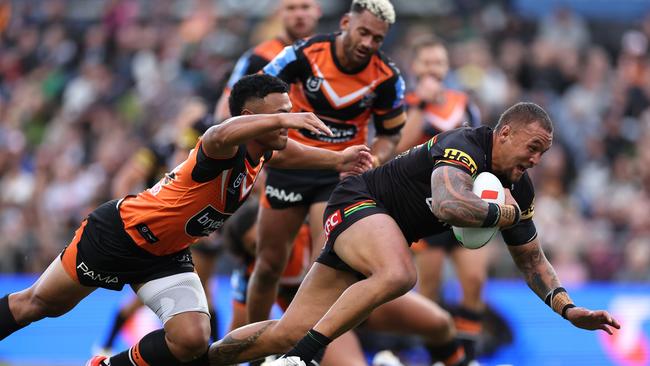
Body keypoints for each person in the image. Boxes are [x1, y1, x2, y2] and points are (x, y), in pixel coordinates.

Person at [206, 102, 620, 366]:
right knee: (401, 274)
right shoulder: (466, 146)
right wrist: (502, 214)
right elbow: (447, 203)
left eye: (543, 153)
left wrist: (568, 309)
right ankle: (301, 359)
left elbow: (532, 259)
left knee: (287, 328)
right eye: (532, 147)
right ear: (505, 132)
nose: (536, 159)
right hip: (358, 202)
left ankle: (202, 359)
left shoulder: (517, 189)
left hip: (377, 229)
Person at [0, 74, 373, 366]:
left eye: (287, 113)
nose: (286, 126)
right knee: (37, 305)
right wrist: (285, 117)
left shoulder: (263, 151)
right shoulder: (221, 146)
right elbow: (217, 132)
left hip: (166, 254)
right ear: (250, 119)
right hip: (119, 234)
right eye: (277, 116)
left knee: (193, 339)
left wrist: (337, 159)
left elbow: (288, 152)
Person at [248, 0, 407, 328]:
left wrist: (373, 157)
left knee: (321, 273)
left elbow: (391, 133)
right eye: (363, 32)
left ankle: (304, 353)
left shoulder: (388, 77)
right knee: (267, 266)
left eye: (377, 39)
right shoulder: (302, 54)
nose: (367, 43)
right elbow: (256, 95)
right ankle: (252, 353)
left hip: (340, 177)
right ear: (346, 22)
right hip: (291, 167)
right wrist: (277, 125)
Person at [224, 200, 464, 366]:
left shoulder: (311, 231)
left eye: (267, 240)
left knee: (440, 323)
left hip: (360, 298)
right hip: (319, 324)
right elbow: (240, 327)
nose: (267, 250)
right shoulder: (254, 273)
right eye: (255, 247)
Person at [99, 98, 223, 354]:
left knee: (206, 295)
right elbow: (125, 180)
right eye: (189, 118)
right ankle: (106, 347)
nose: (195, 124)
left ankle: (215, 352)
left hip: (195, 232)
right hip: (161, 230)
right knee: (153, 298)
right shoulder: (160, 150)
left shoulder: (211, 153)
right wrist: (125, 215)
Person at [395, 35, 486, 362]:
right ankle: (436, 356)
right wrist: (421, 103)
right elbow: (397, 149)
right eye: (427, 62)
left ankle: (468, 355)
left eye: (439, 62)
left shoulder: (464, 103)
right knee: (429, 291)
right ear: (415, 65)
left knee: (474, 281)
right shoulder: (402, 102)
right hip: (425, 210)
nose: (434, 68)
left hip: (463, 205)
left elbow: (482, 149)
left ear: (447, 66)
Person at [214, 0, 322, 122]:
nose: (299, 15)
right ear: (279, 13)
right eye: (291, 8)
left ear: (318, 11)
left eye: (305, 7)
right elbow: (223, 113)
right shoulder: (257, 57)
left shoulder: (330, 52)